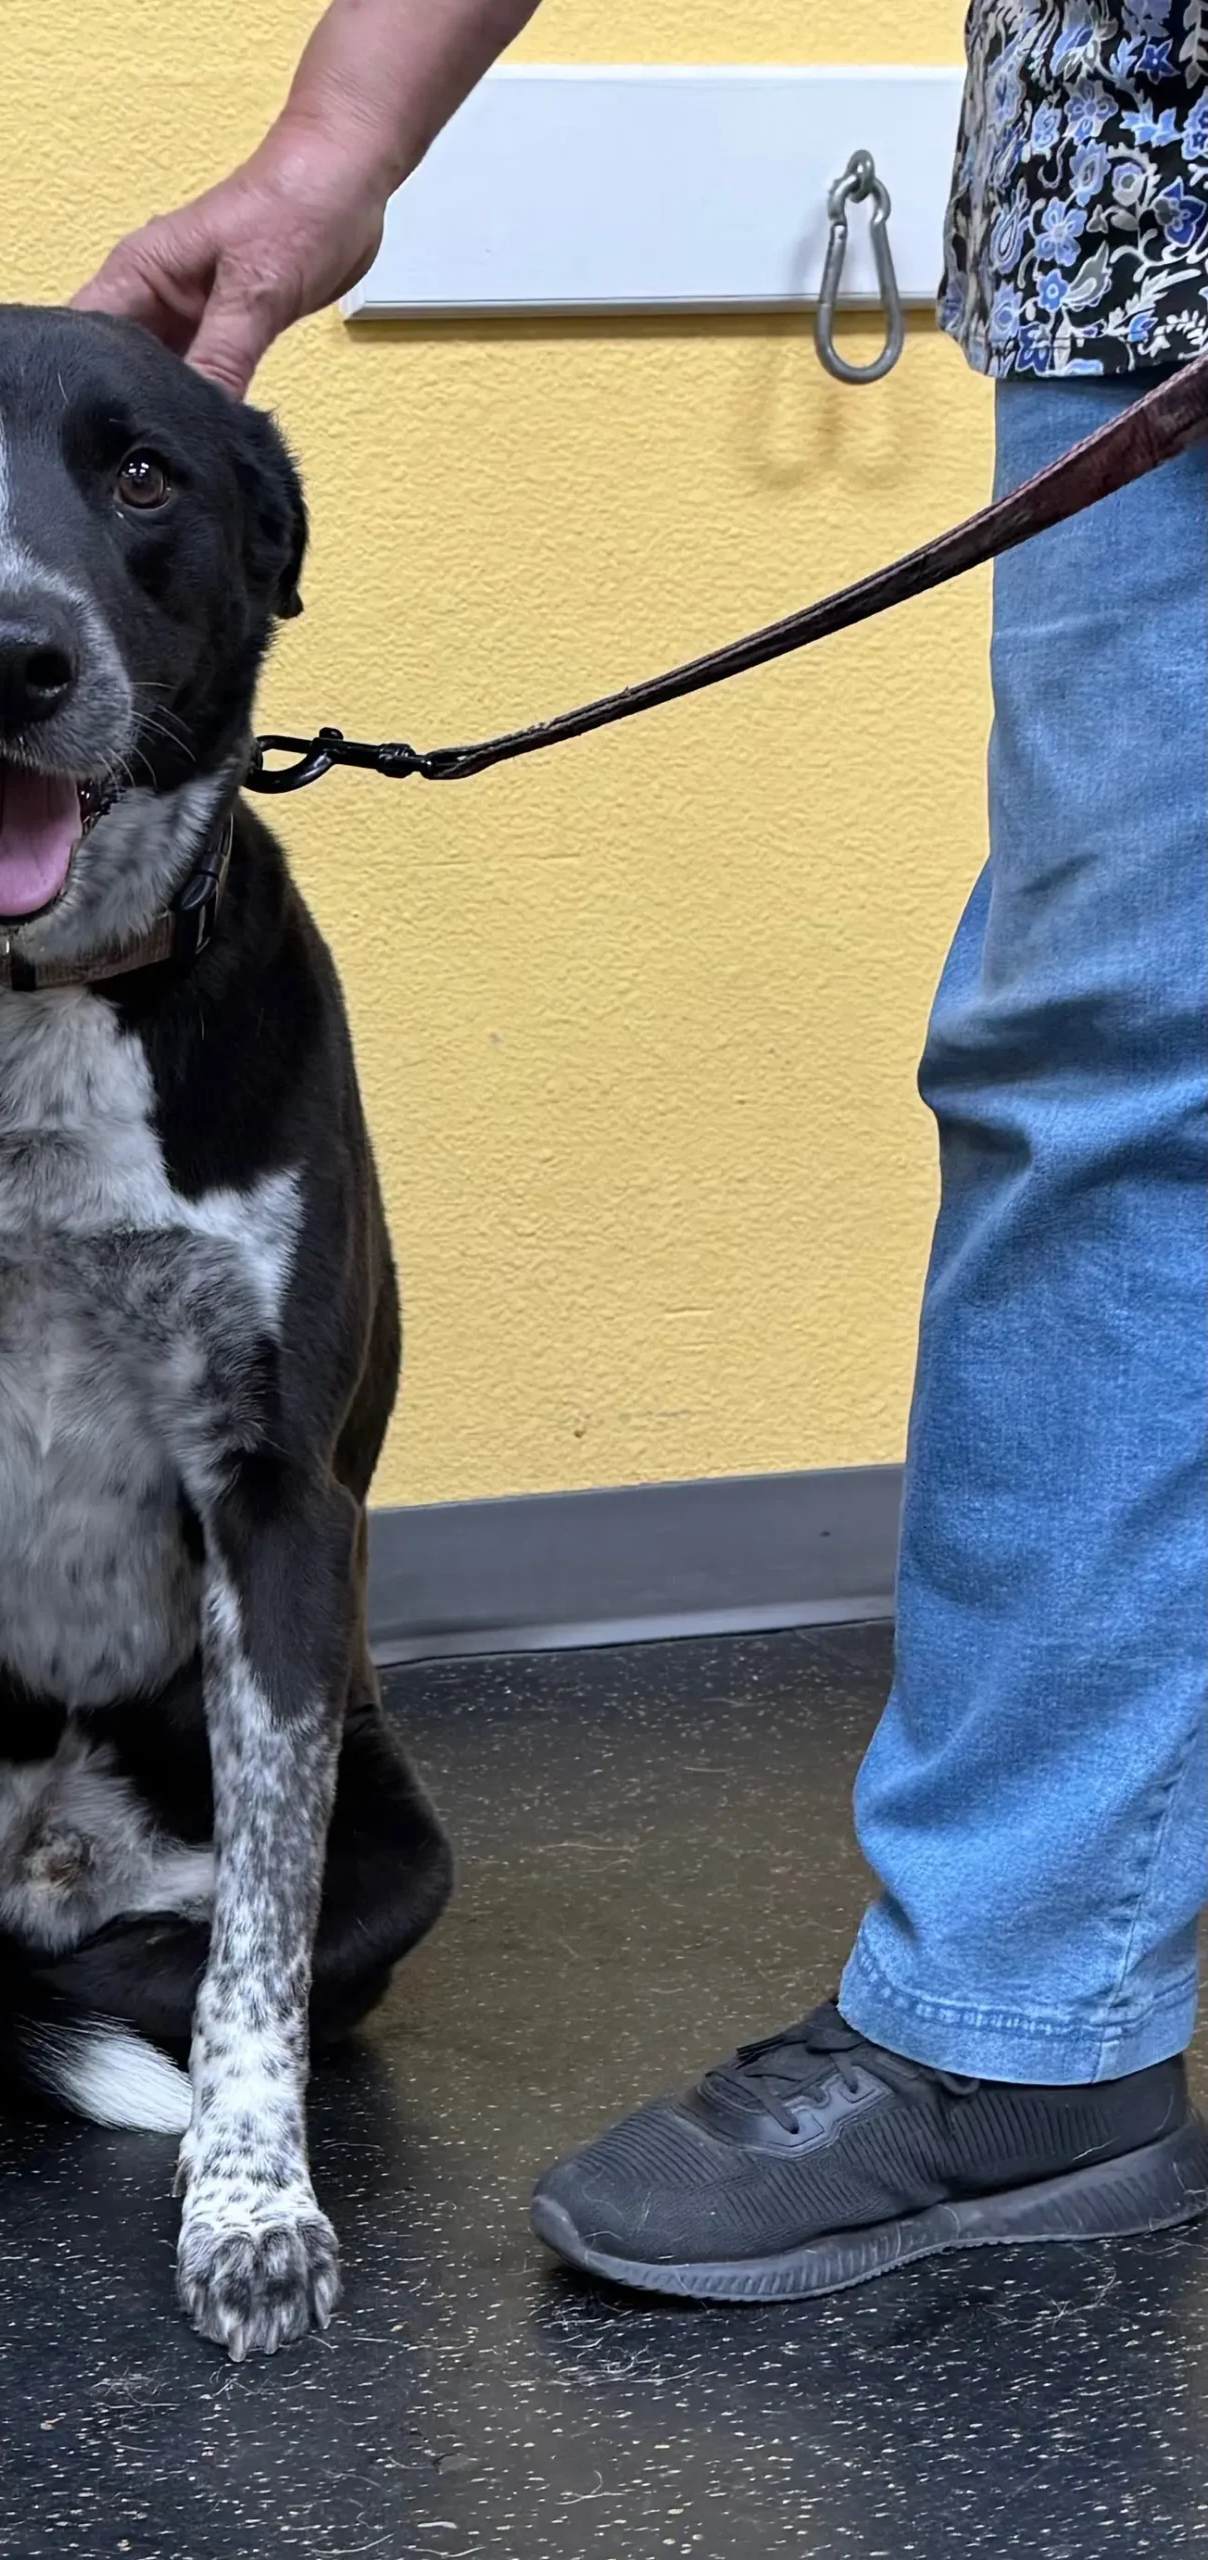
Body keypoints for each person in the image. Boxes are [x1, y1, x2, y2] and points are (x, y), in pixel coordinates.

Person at [80, 0, 1208, 2300]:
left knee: (1113, 1085)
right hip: (1158, 226)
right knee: (1112, 1078)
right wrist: (336, 143)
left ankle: (1017, 2010)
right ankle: (1022, 2019)